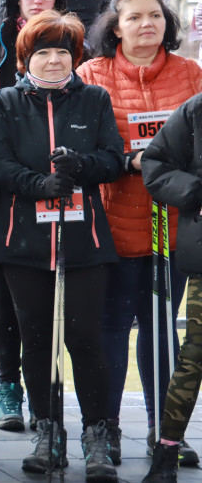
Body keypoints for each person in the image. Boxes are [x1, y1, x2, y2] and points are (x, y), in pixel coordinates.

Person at [0, 10, 123, 481]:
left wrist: (78, 164)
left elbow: (112, 159)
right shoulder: (5, 102)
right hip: (23, 240)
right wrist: (39, 183)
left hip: (85, 241)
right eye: (42, 52)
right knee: (37, 340)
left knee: (84, 338)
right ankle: (47, 431)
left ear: (75, 57)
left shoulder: (95, 100)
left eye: (62, 51)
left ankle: (96, 434)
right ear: (26, 58)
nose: (52, 60)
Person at [78, 0, 202, 466]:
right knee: (108, 327)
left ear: (166, 21)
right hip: (112, 221)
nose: (145, 24)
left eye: (154, 15)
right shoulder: (93, 74)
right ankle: (105, 428)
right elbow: (85, 143)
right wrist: (126, 161)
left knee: (161, 329)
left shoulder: (191, 74)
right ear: (116, 25)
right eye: (134, 17)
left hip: (174, 224)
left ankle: (164, 429)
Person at [0, 0, 66, 431]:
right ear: (15, 0)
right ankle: (9, 386)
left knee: (51, 294)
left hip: (58, 190)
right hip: (0, 190)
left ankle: (45, 394)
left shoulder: (74, 50)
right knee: (7, 290)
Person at [141, 93, 202, 481]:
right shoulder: (196, 110)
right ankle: (167, 450)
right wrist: (195, 192)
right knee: (195, 352)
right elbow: (155, 163)